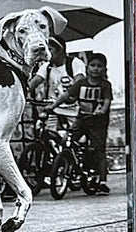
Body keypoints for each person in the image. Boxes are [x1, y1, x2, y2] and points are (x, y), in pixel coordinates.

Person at [41, 52, 113, 194]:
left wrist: (103, 110)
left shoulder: (105, 85)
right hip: (82, 119)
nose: (95, 69)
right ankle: (70, 164)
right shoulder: (81, 84)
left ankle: (102, 181)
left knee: (99, 150)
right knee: (66, 141)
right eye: (92, 65)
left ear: (104, 69)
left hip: (98, 122)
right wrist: (53, 106)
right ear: (87, 67)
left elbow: (107, 101)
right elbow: (66, 95)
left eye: (99, 66)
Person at [28, 36, 86, 131]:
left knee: (74, 137)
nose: (47, 53)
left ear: (60, 50)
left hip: (72, 109)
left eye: (50, 49)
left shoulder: (74, 63)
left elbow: (79, 83)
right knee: (47, 134)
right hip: (53, 108)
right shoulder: (46, 67)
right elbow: (35, 82)